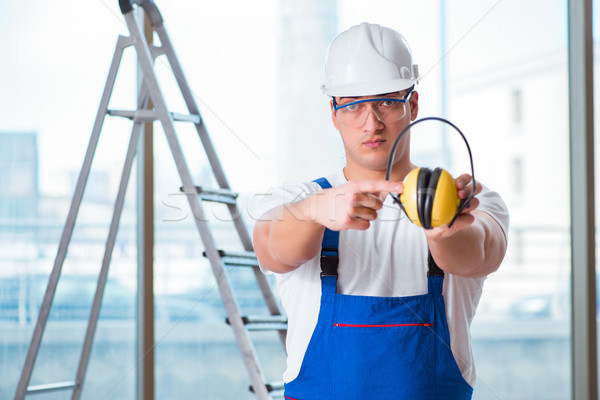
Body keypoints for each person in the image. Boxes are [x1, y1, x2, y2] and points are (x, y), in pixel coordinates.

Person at [252, 22, 508, 400]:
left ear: (413, 106)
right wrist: (317, 211)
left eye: (387, 101)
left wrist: (440, 228)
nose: (372, 122)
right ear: (334, 113)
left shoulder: (467, 201)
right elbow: (271, 248)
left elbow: (479, 254)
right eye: (354, 105)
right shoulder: (299, 198)